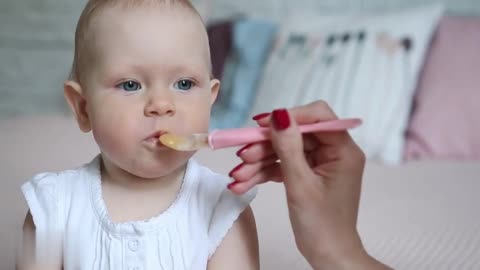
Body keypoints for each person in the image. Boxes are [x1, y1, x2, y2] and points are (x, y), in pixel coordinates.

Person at [17, 0, 259, 269]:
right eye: (130, 85)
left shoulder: (221, 209)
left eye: (184, 83)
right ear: (83, 108)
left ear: (210, 98)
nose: (161, 104)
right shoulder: (53, 207)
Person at [229, 101, 393, 270]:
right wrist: (343, 255)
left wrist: (340, 254)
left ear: (213, 93)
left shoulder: (227, 214)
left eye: (197, 83)